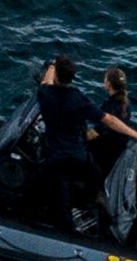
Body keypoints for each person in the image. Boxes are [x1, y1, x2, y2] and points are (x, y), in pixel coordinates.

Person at [34, 55, 102, 225]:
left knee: (61, 193)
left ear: (57, 75)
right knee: (93, 171)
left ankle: (66, 231)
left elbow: (46, 83)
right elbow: (107, 119)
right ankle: (95, 198)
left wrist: (51, 66)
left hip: (57, 157)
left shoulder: (46, 95)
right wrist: (135, 134)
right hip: (79, 155)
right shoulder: (80, 99)